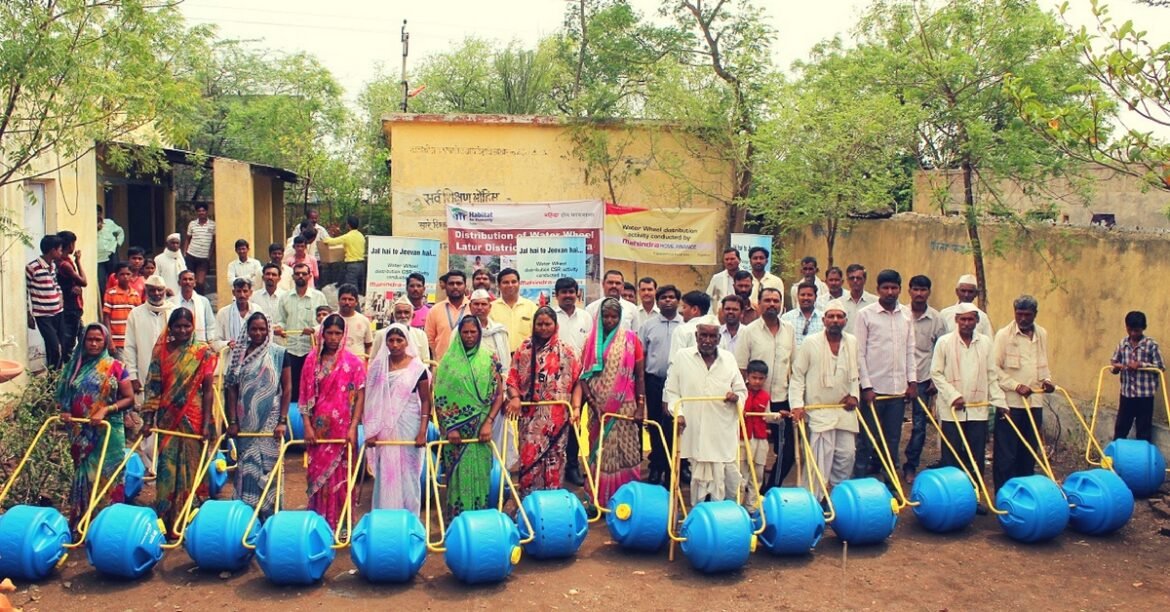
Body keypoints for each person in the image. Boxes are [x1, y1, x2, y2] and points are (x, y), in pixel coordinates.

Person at [143, 308, 218, 534]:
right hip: (168, 419)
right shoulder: (161, 353)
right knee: (167, 468)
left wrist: (206, 422)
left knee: (193, 468)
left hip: (194, 417)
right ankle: (167, 520)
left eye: (187, 326)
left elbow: (208, 390)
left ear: (193, 327)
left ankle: (193, 520)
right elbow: (153, 387)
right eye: (178, 326)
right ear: (171, 328)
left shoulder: (202, 352)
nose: (183, 330)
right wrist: (147, 419)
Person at [56, 323, 134, 528]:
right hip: (80, 431)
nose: (93, 343)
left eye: (98, 340)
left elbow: (129, 398)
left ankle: (109, 527)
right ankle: (85, 524)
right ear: (83, 341)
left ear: (106, 342)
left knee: (108, 477)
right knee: (85, 477)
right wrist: (64, 411)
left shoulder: (115, 366)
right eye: (90, 339)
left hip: (108, 433)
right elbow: (64, 395)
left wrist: (105, 410)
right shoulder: (74, 366)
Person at [665, 317, 748, 505]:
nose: (707, 340)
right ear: (696, 336)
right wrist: (679, 414)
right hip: (695, 429)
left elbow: (741, 390)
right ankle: (701, 517)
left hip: (722, 429)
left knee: (727, 477)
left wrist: (736, 397)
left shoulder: (728, 359)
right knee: (699, 478)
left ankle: (725, 517)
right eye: (704, 335)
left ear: (719, 339)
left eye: (712, 336)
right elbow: (672, 392)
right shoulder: (682, 357)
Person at [505, 306, 583, 496]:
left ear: (555, 325)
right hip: (530, 419)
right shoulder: (524, 349)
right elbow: (511, 380)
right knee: (530, 457)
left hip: (558, 418)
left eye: (547, 324)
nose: (543, 328)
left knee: (555, 459)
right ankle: (529, 503)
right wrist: (515, 397)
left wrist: (576, 408)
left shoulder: (568, 351)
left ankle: (552, 504)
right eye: (539, 324)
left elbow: (578, 383)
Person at [300, 314, 367, 529]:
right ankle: (319, 525)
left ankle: (342, 526)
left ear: (344, 334)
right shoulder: (311, 361)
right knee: (318, 477)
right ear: (322, 333)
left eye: (338, 333)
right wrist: (308, 426)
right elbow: (303, 396)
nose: (333, 337)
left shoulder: (353, 363)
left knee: (343, 478)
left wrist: (354, 426)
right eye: (329, 332)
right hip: (318, 432)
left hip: (344, 430)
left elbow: (360, 397)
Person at [790, 300, 860, 503]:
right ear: (824, 320)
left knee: (847, 456)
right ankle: (811, 503)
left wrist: (854, 395)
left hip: (844, 411)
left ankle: (839, 501)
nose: (835, 320)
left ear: (845, 320)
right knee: (819, 461)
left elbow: (856, 374)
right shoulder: (811, 343)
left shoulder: (852, 342)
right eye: (831, 316)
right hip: (818, 410)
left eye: (839, 317)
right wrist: (796, 405)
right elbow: (797, 376)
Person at [931, 305, 1005, 498]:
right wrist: (953, 395)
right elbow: (936, 373)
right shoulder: (944, 342)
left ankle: (975, 497)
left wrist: (1000, 402)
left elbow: (991, 375)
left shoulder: (986, 343)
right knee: (952, 455)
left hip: (977, 409)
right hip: (952, 410)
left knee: (976, 456)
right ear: (956, 320)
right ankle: (951, 498)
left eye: (970, 319)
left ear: (977, 321)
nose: (966, 323)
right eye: (962, 319)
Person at [435, 315, 504, 518]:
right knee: (456, 477)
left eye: (473, 332)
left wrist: (489, 422)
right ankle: (457, 524)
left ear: (480, 333)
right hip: (456, 433)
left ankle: (479, 522)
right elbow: (440, 397)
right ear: (459, 333)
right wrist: (450, 428)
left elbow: (499, 394)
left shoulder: (490, 359)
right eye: (465, 332)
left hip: (481, 428)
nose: (469, 336)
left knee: (481, 475)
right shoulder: (448, 362)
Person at [579, 298, 646, 506]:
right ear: (599, 317)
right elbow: (583, 377)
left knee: (628, 450)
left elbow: (640, 376)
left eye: (614, 316)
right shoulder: (590, 342)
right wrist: (591, 402)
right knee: (601, 452)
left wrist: (640, 407)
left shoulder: (631, 340)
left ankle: (628, 499)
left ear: (620, 318)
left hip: (625, 405)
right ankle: (598, 499)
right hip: (598, 407)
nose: (609, 320)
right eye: (606, 316)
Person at [854, 269, 917, 486]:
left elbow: (910, 350)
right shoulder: (865, 315)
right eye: (885, 288)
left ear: (900, 289)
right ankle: (859, 483)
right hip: (873, 391)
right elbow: (859, 353)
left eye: (894, 288)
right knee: (866, 440)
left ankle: (891, 484)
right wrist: (866, 386)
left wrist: (912, 382)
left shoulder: (907, 315)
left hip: (897, 391)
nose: (890, 292)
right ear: (878, 289)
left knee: (892, 440)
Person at [224, 313, 290, 517]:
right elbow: (232, 389)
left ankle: (270, 517)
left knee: (270, 468)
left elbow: (287, 388)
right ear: (248, 330)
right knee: (247, 467)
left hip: (271, 421)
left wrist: (282, 421)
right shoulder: (239, 355)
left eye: (263, 329)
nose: (259, 333)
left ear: (268, 329)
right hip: (246, 422)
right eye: (254, 329)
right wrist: (233, 421)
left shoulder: (279, 353)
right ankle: (246, 518)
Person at [363, 323, 432, 514]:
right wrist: (371, 430)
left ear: (406, 342)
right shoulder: (378, 367)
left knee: (408, 473)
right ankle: (385, 519)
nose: (394, 345)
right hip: (383, 428)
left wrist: (422, 432)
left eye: (399, 340)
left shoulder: (418, 368)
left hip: (410, 423)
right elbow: (371, 400)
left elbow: (426, 401)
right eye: (391, 340)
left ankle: (410, 520)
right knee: (386, 471)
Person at [734, 287, 795, 490]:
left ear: (781, 305)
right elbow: (741, 368)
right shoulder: (749, 331)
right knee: (751, 451)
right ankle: (746, 494)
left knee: (786, 452)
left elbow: (793, 366)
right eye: (767, 300)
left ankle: (769, 491)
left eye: (775, 301)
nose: (771, 304)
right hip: (755, 403)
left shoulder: (790, 330)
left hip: (780, 399)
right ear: (759, 304)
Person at [992, 295, 1055, 492]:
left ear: (1035, 314)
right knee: (1006, 453)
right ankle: (1004, 493)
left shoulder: (1042, 334)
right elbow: (994, 369)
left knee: (1028, 451)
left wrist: (1048, 381)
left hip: (1034, 402)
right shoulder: (1004, 335)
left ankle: (1025, 492)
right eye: (1019, 314)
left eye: (1028, 315)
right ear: (1014, 313)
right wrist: (1016, 385)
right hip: (1011, 404)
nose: (1023, 319)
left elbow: (1042, 365)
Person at [123, 275, 173, 472]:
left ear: (164, 290)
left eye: (160, 290)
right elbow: (130, 347)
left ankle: (164, 463)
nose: (156, 293)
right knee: (148, 420)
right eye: (152, 290)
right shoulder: (136, 314)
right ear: (147, 291)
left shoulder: (173, 312)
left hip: (170, 376)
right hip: (144, 377)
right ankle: (149, 465)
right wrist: (133, 376)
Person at [638, 285, 682, 486]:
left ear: (678, 301)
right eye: (663, 297)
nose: (667, 301)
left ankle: (676, 467)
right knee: (655, 425)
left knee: (675, 425)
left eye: (672, 297)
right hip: (654, 381)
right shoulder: (648, 325)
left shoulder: (685, 325)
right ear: (658, 301)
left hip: (679, 383)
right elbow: (642, 355)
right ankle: (656, 466)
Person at [905, 274, 947, 483]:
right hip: (897, 378)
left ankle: (910, 465)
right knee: (887, 424)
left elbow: (941, 351)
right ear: (909, 291)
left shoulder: (937, 319)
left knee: (919, 425)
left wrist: (934, 380)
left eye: (924, 290)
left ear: (929, 292)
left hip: (923, 379)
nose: (919, 294)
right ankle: (880, 463)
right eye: (916, 289)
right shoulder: (901, 314)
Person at [274, 263, 328, 402]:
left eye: (304, 274)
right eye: (297, 273)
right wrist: (279, 328)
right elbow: (281, 320)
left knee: (311, 386)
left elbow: (325, 322)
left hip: (311, 350)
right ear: (293, 276)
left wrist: (314, 330)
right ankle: (292, 420)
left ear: (310, 276)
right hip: (291, 349)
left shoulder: (319, 296)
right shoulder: (285, 298)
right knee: (291, 387)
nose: (300, 276)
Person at [1110, 310, 1165, 441]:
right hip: (1126, 395)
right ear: (1126, 328)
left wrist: (1141, 365)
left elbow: (1160, 367)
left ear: (1143, 328)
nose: (1133, 334)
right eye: (1130, 330)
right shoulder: (1122, 344)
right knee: (1121, 427)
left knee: (1143, 429)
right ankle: (1116, 454)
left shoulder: (1151, 345)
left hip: (1144, 396)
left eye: (1137, 331)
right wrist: (1116, 368)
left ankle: (1143, 459)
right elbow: (1113, 362)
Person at [26, 234, 66, 368]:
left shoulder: (52, 266)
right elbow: (25, 291)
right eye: (60, 249)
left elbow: (56, 284)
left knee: (58, 346)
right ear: (52, 250)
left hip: (58, 312)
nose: (61, 252)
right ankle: (53, 380)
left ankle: (53, 381)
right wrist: (28, 313)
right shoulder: (32, 268)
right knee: (55, 347)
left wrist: (60, 296)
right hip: (43, 315)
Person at [740, 360, 772, 507]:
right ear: (747, 376)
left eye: (761, 378)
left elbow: (768, 416)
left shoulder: (765, 396)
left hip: (760, 439)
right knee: (741, 474)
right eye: (754, 377)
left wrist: (779, 416)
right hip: (742, 438)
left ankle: (752, 507)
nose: (757, 381)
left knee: (757, 474)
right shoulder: (740, 394)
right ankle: (737, 506)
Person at [425, 270, 470, 361]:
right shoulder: (435, 310)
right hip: (442, 366)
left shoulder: (473, 309)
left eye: (459, 283)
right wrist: (438, 356)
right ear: (445, 286)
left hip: (468, 365)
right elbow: (429, 339)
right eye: (451, 283)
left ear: (465, 286)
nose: (455, 287)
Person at [490, 268, 538, 353]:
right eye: (505, 282)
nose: (510, 285)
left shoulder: (531, 307)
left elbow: (538, 335)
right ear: (499, 285)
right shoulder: (490, 308)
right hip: (499, 359)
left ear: (519, 284)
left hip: (525, 358)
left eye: (514, 282)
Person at [372, 296, 431, 364]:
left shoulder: (421, 335)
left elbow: (426, 362)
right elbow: (373, 359)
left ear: (413, 315)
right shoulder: (381, 334)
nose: (403, 316)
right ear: (393, 316)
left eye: (406, 312)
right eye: (399, 312)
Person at [56, 230, 87, 357]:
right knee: (69, 342)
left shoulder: (63, 261)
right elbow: (84, 281)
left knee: (83, 336)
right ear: (70, 245)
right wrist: (79, 261)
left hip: (73, 306)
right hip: (71, 306)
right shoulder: (64, 264)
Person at [101, 262, 142, 356]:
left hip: (131, 341)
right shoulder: (110, 293)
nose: (125, 277)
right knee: (120, 369)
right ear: (116, 276)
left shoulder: (135, 294)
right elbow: (106, 318)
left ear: (132, 275)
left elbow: (139, 319)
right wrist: (110, 340)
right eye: (122, 274)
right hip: (116, 342)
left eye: (128, 274)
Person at [214, 278, 262, 352]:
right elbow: (215, 343)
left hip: (254, 357)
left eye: (245, 291)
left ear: (250, 292)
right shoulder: (223, 313)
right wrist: (228, 343)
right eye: (238, 291)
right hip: (231, 359)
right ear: (233, 292)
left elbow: (264, 336)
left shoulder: (257, 310)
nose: (242, 295)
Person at [321, 214, 366, 290]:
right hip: (361, 265)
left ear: (348, 225)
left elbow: (332, 242)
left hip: (352, 265)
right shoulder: (361, 236)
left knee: (352, 288)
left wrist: (324, 237)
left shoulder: (347, 237)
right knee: (360, 288)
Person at [170, 270, 215, 344]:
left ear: (194, 283)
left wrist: (210, 342)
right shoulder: (171, 303)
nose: (187, 282)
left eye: (190, 279)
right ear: (179, 282)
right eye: (184, 279)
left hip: (199, 345)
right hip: (177, 345)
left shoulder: (203, 301)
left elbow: (210, 325)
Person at [553, 277, 592, 356]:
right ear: (557, 295)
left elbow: (590, 344)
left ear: (576, 294)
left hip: (581, 367)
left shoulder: (585, 316)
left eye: (571, 292)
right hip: (555, 366)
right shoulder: (550, 316)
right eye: (564, 292)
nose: (568, 295)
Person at [669, 290, 712, 359]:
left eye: (684, 307)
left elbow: (675, 361)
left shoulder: (682, 330)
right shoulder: (717, 330)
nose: (682, 311)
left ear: (694, 309)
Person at [184, 203, 216, 292]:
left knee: (200, 283)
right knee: (190, 281)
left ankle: (201, 301)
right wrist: (185, 253)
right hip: (191, 255)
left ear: (206, 212)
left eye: (203, 211)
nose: (201, 213)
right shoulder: (192, 224)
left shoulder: (213, 225)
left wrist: (209, 256)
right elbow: (187, 239)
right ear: (197, 213)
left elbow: (214, 242)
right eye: (199, 211)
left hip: (203, 258)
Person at [781, 281, 824, 348]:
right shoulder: (786, 318)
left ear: (815, 297)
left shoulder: (823, 318)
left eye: (809, 295)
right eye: (802, 295)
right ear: (797, 296)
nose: (806, 298)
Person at [337, 283, 373, 358]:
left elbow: (368, 345)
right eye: (344, 299)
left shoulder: (364, 320)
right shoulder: (330, 319)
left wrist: (366, 364)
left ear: (356, 302)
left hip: (358, 366)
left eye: (350, 299)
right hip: (335, 365)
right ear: (338, 301)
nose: (347, 302)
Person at [96, 205, 124, 293]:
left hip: (111, 254)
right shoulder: (89, 225)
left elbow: (120, 231)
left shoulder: (109, 223)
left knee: (115, 277)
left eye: (98, 213)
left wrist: (118, 244)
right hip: (99, 258)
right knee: (101, 281)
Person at [841, 264, 877, 335]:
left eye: (858, 278)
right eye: (852, 278)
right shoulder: (840, 303)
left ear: (865, 280)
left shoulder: (875, 302)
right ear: (847, 280)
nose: (855, 281)